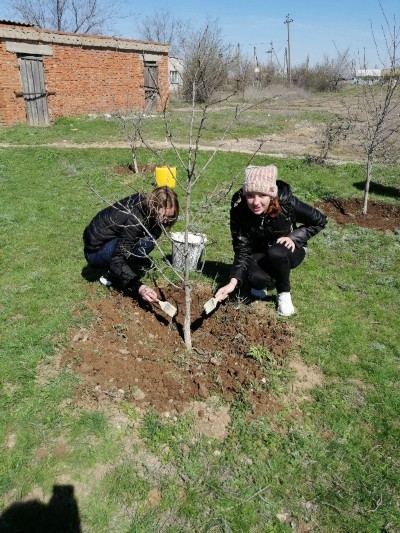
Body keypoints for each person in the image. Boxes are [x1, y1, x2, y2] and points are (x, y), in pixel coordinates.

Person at [215, 165, 327, 316]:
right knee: (255, 279)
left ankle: (284, 294)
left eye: (262, 195)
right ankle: (267, 277)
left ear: (272, 194)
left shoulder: (287, 203)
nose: (256, 202)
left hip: (288, 250)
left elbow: (320, 221)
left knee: (277, 252)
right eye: (250, 195)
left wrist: (294, 238)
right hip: (261, 252)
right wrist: (232, 283)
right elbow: (242, 249)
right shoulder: (239, 210)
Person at [83, 186, 179, 303]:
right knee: (147, 240)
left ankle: (131, 262)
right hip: (95, 252)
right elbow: (116, 259)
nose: (166, 221)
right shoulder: (135, 220)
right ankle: (110, 275)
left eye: (170, 217)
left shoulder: (147, 205)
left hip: (106, 241)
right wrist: (139, 287)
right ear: (155, 207)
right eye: (164, 216)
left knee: (151, 234)